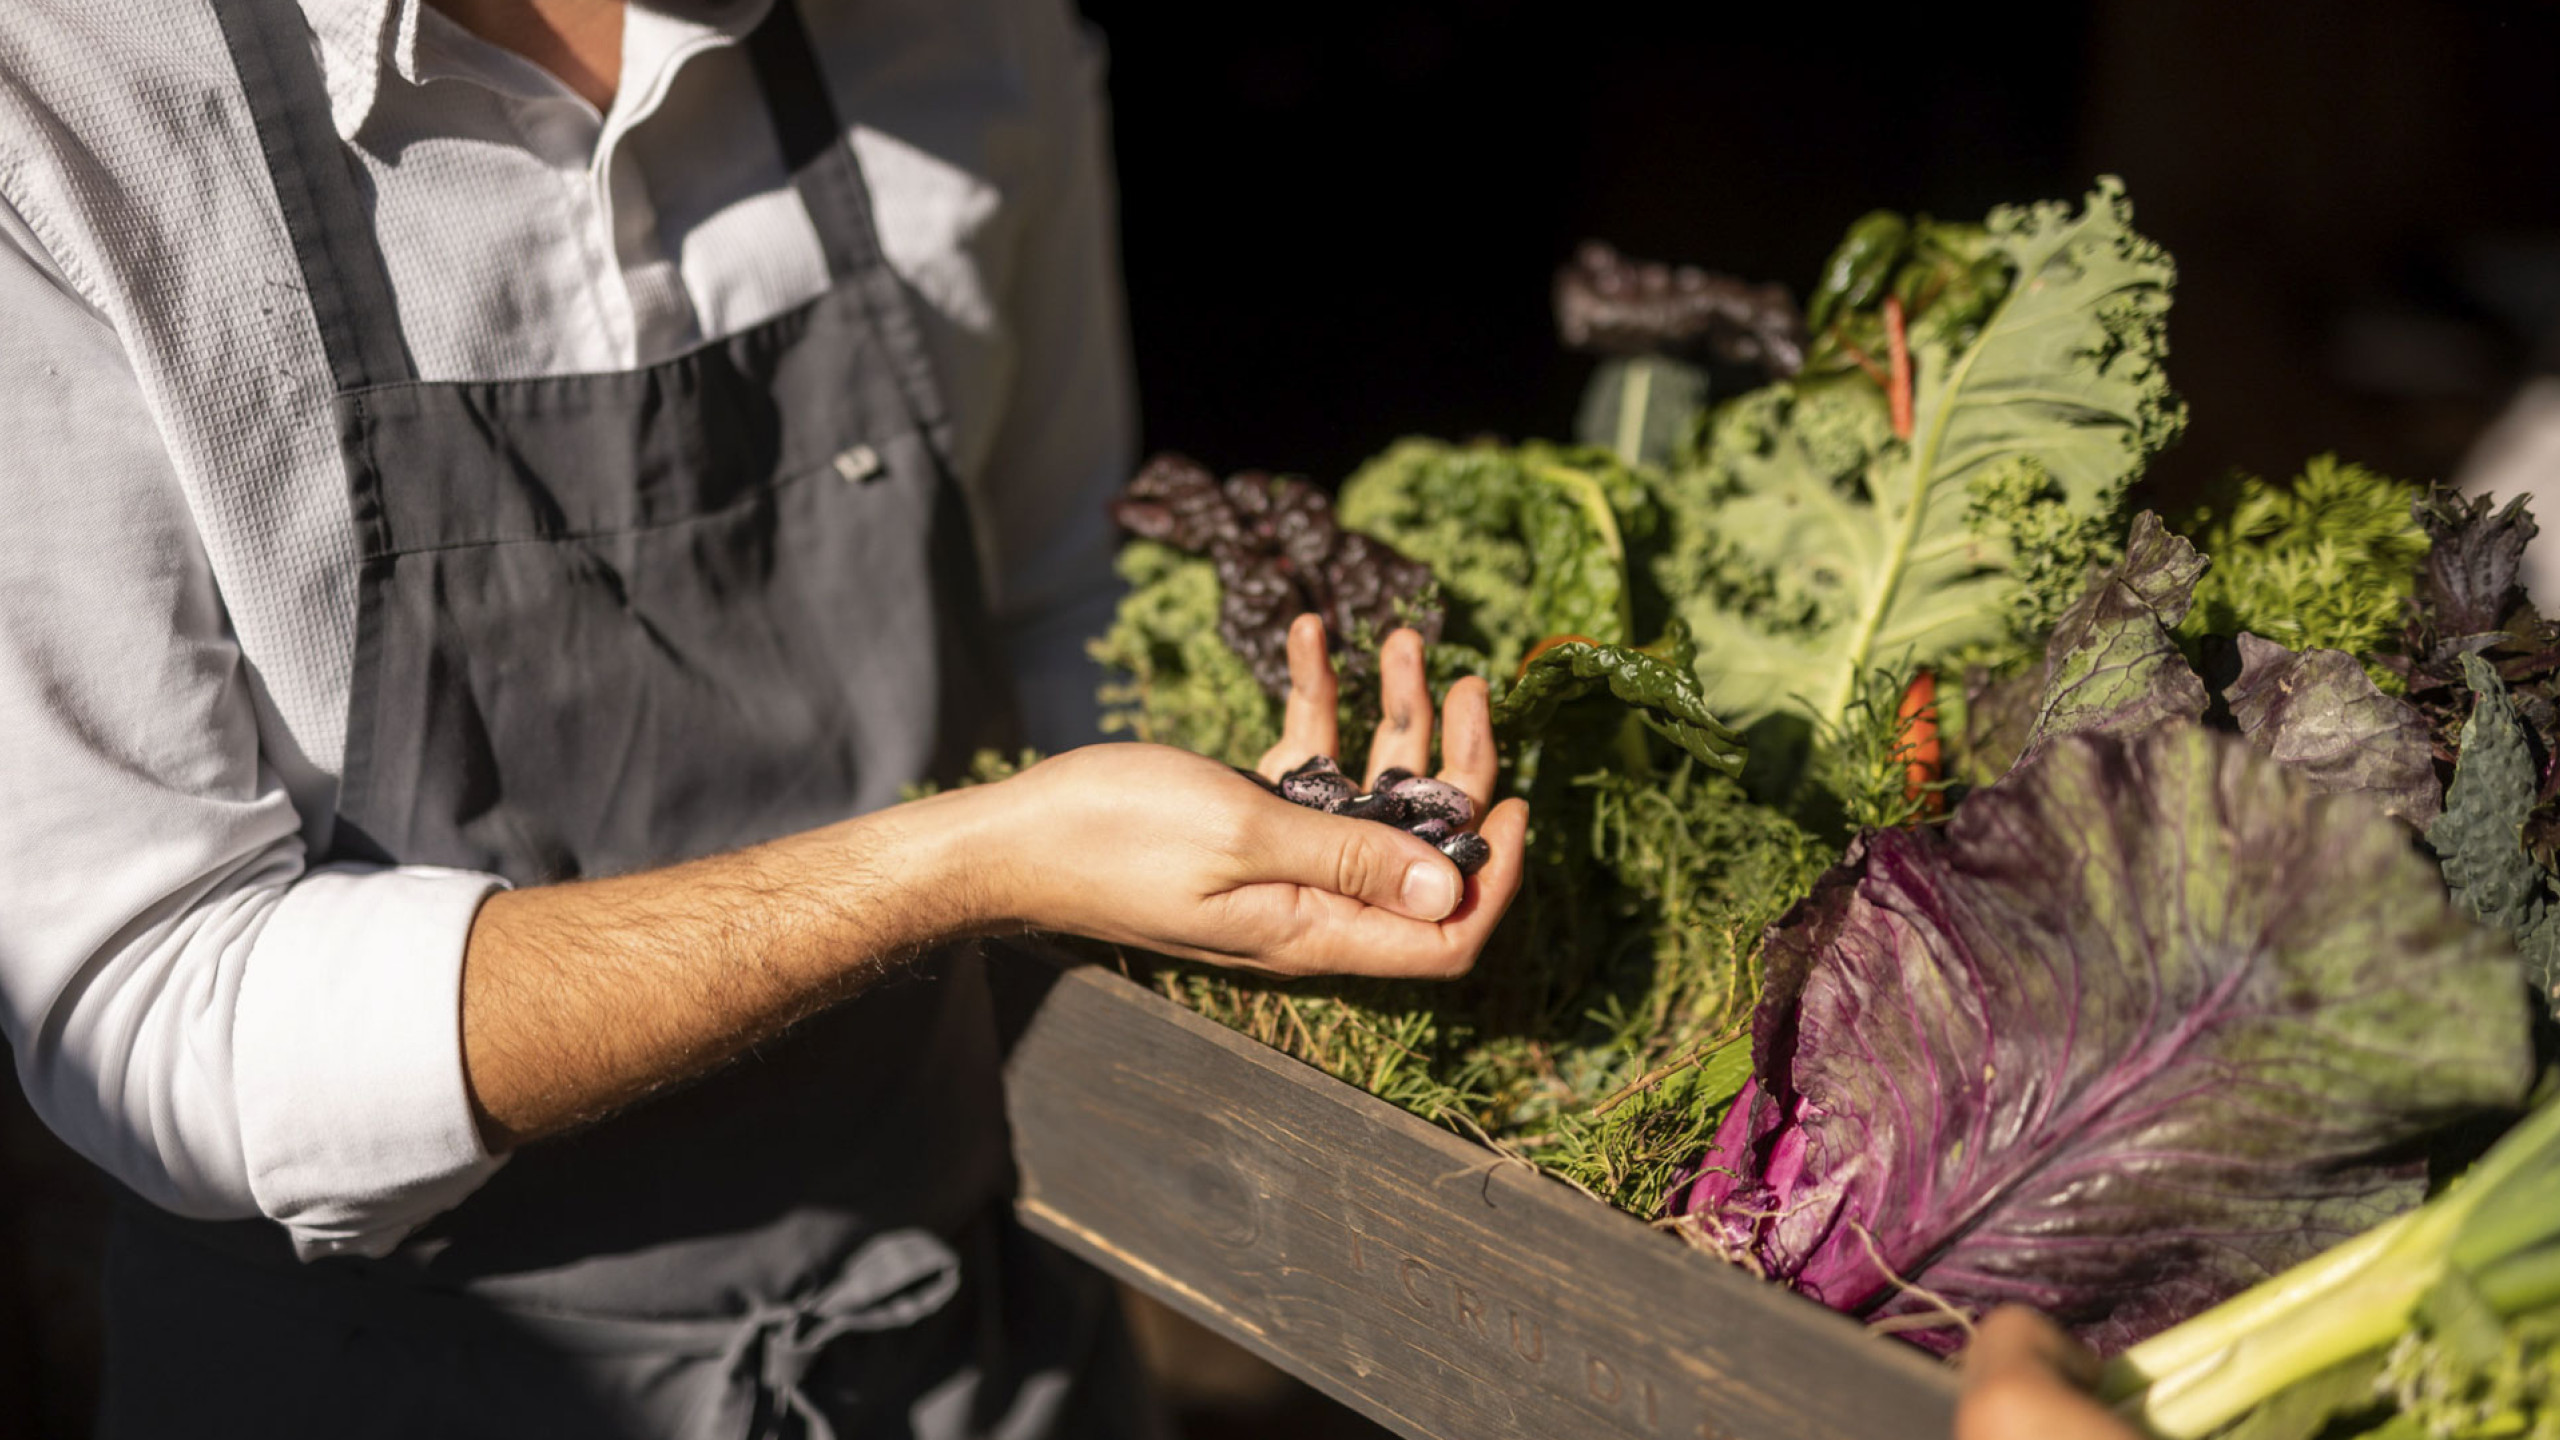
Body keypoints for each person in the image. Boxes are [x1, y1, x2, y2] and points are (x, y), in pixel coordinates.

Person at [0, 0, 1525, 1433]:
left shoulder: (965, 38)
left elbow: (1058, 600)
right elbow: (161, 1008)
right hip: (382, 1382)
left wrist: (1249, 838)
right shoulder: (70, 108)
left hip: (975, 1342)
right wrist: (966, 863)